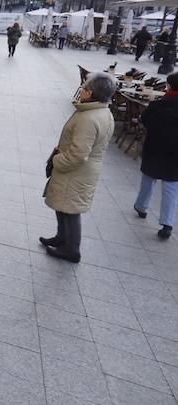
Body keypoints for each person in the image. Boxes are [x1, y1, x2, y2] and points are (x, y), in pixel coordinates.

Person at [40, 72, 116, 263]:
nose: (80, 90)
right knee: (64, 206)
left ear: (90, 93)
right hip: (82, 171)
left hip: (75, 172)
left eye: (84, 88)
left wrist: (57, 161)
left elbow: (78, 154)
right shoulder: (102, 112)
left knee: (70, 209)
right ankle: (62, 238)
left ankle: (72, 249)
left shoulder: (89, 118)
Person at [133, 72, 178, 239]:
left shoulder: (157, 105)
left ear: (169, 86)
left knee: (148, 178)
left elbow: (144, 121)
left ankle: (141, 206)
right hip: (175, 153)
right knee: (171, 188)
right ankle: (167, 223)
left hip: (155, 147)